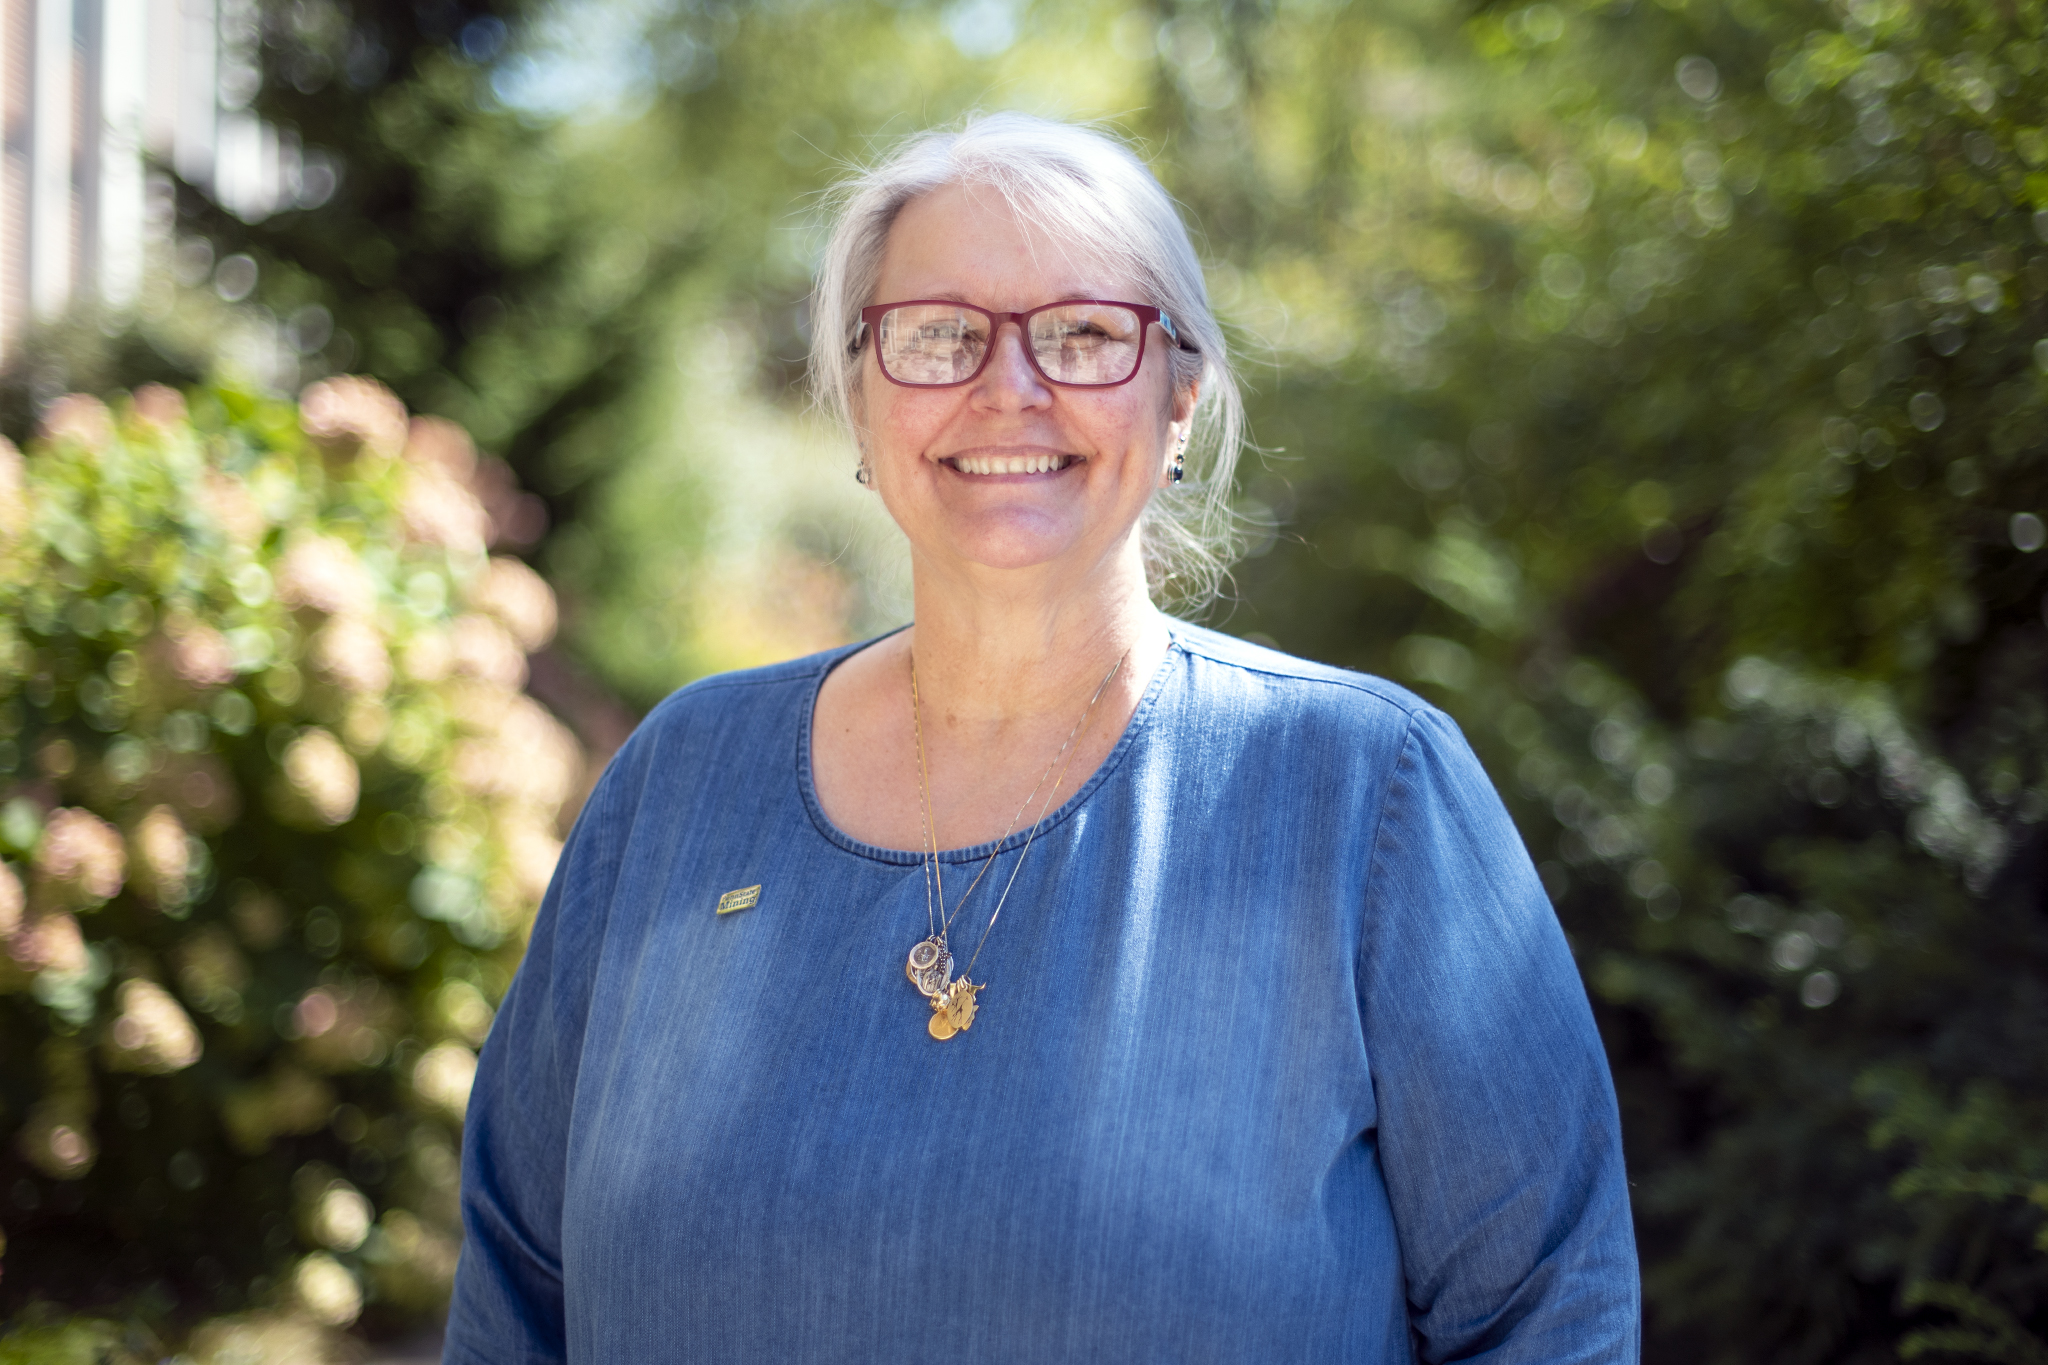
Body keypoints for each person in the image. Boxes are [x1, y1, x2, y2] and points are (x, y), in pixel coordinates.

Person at [443, 112, 1639, 1363]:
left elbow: (1545, 1317)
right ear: (860, 397)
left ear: (1179, 396)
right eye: (939, 335)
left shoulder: (1365, 795)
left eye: (1081, 334)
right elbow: (518, 1298)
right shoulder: (680, 785)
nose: (1006, 388)